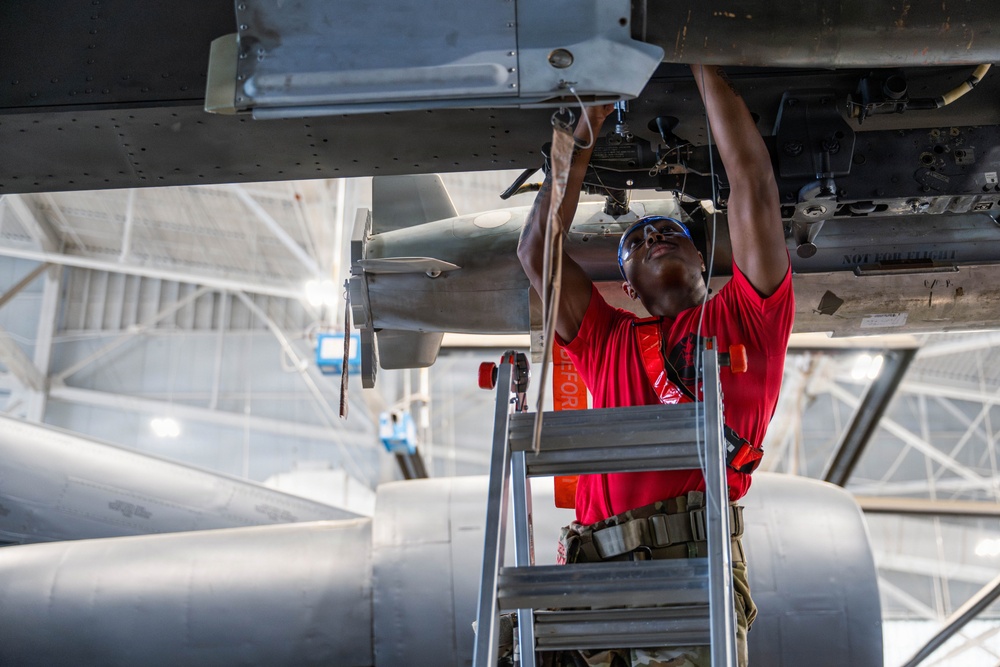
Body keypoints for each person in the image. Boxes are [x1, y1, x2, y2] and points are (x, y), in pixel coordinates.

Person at [516, 65, 794, 667]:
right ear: (628, 288)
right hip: (590, 594)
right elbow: (537, 250)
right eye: (636, 243)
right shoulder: (606, 338)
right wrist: (583, 125)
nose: (652, 239)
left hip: (687, 585)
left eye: (670, 231)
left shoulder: (751, 317)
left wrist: (703, 58)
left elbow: (751, 184)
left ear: (703, 256)